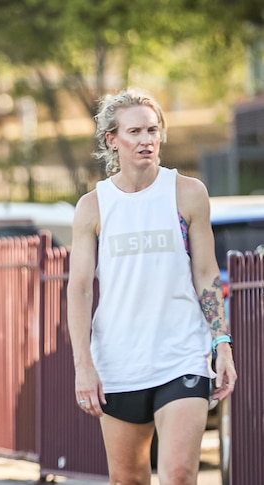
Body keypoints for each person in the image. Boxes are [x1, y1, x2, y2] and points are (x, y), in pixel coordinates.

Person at [67, 89, 238, 484]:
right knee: (128, 479)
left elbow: (207, 275)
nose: (147, 140)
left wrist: (221, 344)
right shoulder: (93, 206)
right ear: (112, 139)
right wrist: (83, 366)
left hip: (181, 355)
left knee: (178, 474)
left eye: (153, 130)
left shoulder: (188, 193)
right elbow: (79, 289)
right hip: (118, 362)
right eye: (135, 131)